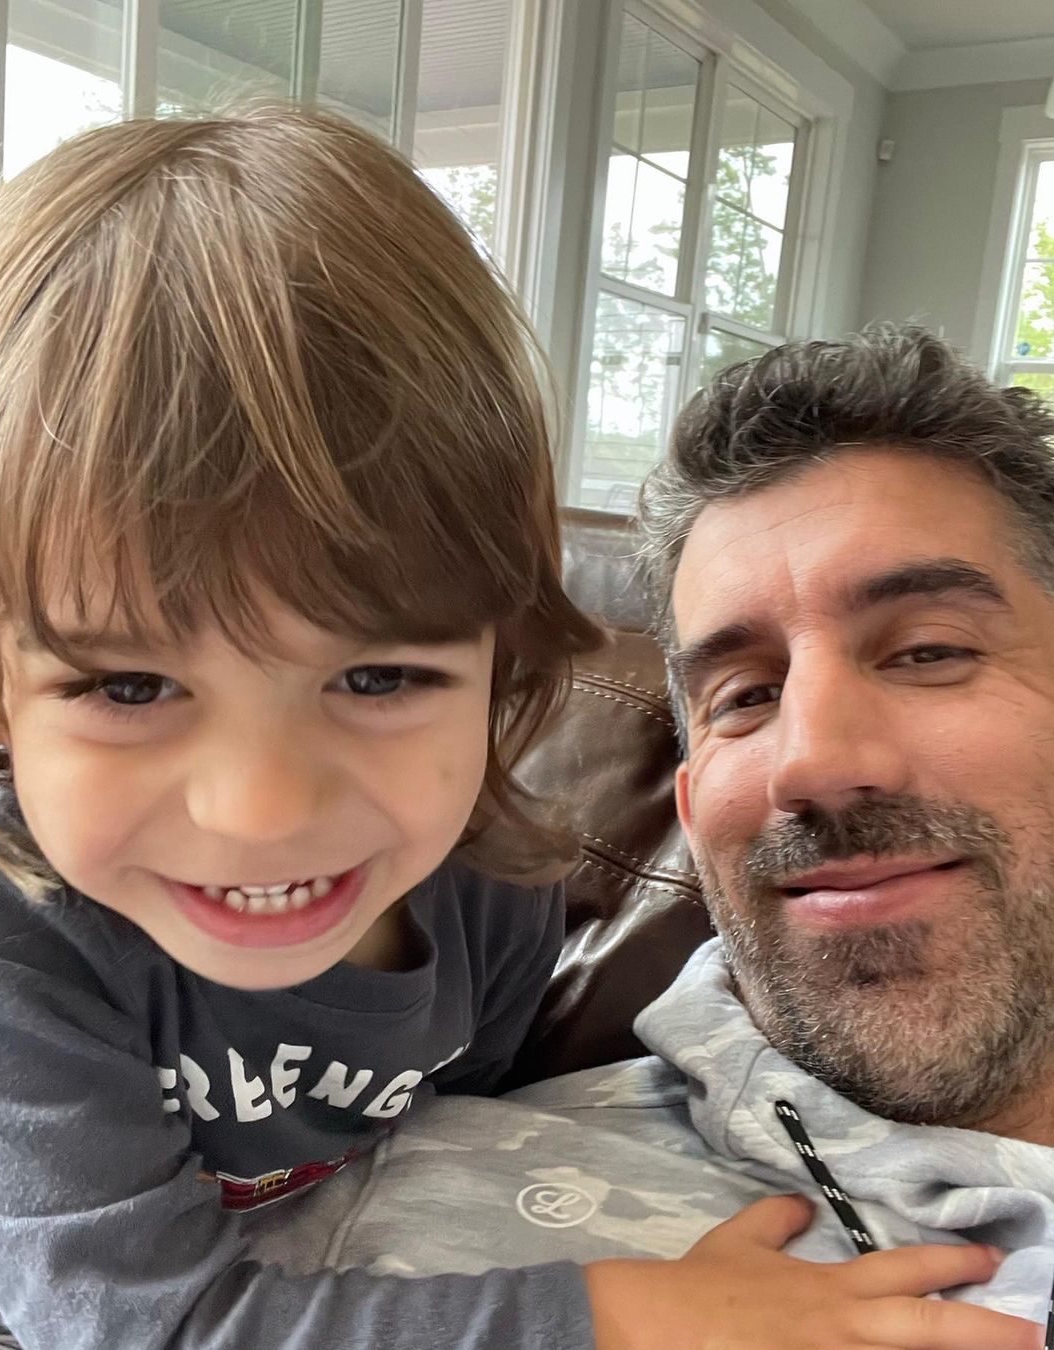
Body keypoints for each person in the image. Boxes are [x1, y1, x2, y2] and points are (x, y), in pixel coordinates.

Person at [0, 113, 1006, 1350]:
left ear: (499, 669)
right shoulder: (3, 953)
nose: (261, 812)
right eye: (131, 688)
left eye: (378, 676)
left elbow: (453, 1144)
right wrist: (624, 1314)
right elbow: (144, 1331)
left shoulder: (493, 896)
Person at [215, 326, 1054, 1349]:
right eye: (745, 696)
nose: (811, 761)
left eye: (926, 652)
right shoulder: (394, 1263)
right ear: (694, 809)